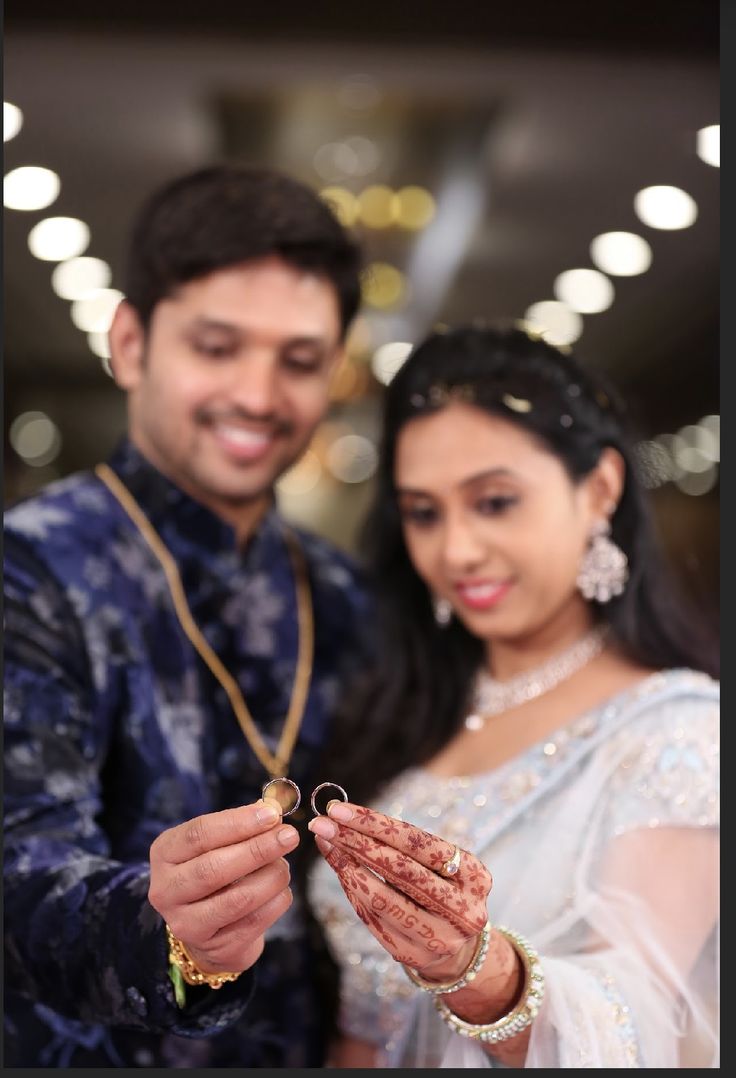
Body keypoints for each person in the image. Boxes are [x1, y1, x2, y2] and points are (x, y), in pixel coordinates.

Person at [3, 163, 370, 1067]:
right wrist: (164, 928)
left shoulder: (345, 593)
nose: (257, 394)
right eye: (216, 346)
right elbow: (15, 866)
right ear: (130, 344)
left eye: (299, 361)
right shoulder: (31, 567)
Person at [306, 323, 719, 1068]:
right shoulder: (408, 705)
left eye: (494, 502)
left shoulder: (677, 729)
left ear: (600, 489)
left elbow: (645, 1018)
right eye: (424, 513)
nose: (456, 550)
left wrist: (483, 976)